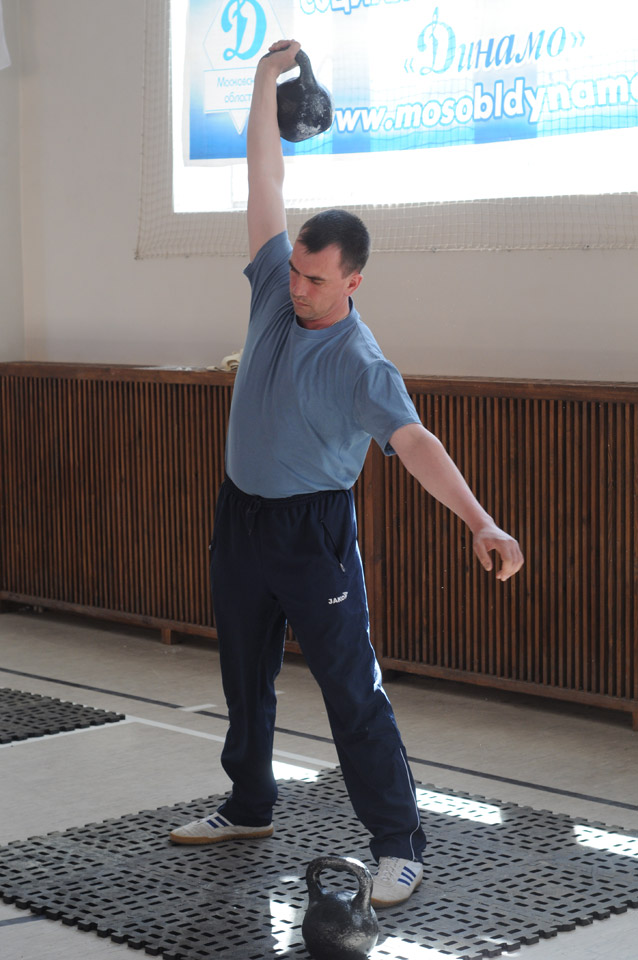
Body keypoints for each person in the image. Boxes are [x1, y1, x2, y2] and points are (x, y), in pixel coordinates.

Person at [170, 40, 525, 908]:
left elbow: (416, 443)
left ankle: (398, 842)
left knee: (350, 691)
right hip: (240, 517)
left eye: (316, 279)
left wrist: (480, 520)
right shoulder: (273, 287)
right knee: (243, 675)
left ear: (353, 280)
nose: (297, 286)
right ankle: (250, 805)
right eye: (296, 269)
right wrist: (263, 83)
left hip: (311, 534)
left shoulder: (363, 365)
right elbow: (264, 181)